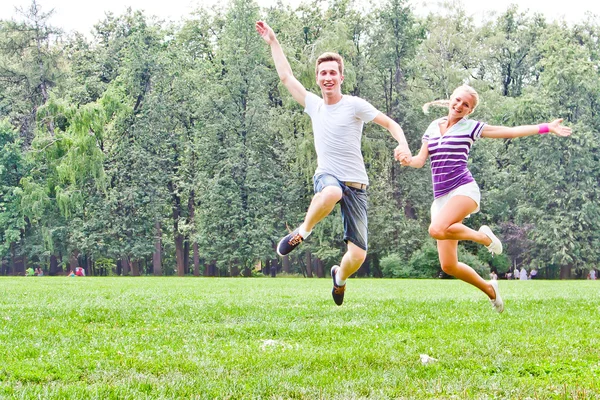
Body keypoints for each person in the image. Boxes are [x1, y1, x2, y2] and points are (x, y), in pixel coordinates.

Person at [256, 21, 411, 306]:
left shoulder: (354, 105)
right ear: (317, 78)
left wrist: (402, 144)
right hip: (328, 176)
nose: (328, 77)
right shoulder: (314, 105)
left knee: (358, 255)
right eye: (323, 73)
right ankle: (301, 233)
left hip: (357, 185)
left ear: (341, 77)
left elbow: (390, 123)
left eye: (332, 73)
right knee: (331, 192)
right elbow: (287, 78)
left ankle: (339, 278)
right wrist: (274, 42)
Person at [397, 84, 571, 313]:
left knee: (436, 229)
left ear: (469, 111)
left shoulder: (470, 127)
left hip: (463, 190)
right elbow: (420, 160)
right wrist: (406, 159)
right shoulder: (432, 126)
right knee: (448, 265)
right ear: (451, 98)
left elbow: (508, 131)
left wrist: (546, 127)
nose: (459, 106)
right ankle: (490, 290)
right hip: (440, 198)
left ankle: (484, 237)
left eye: (465, 105)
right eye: (457, 100)